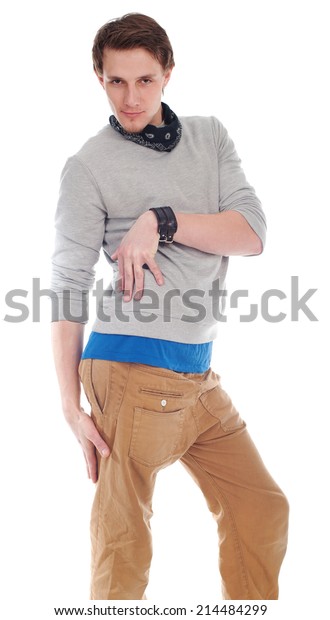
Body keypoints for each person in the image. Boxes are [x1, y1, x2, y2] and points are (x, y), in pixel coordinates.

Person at [51, 12, 289, 601]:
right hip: (128, 371)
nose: (132, 98)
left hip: (197, 378)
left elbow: (251, 233)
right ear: (99, 80)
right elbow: (68, 286)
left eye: (146, 81)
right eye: (116, 82)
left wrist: (162, 220)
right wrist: (68, 404)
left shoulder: (210, 137)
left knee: (261, 508)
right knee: (123, 543)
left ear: (169, 75)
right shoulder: (88, 167)